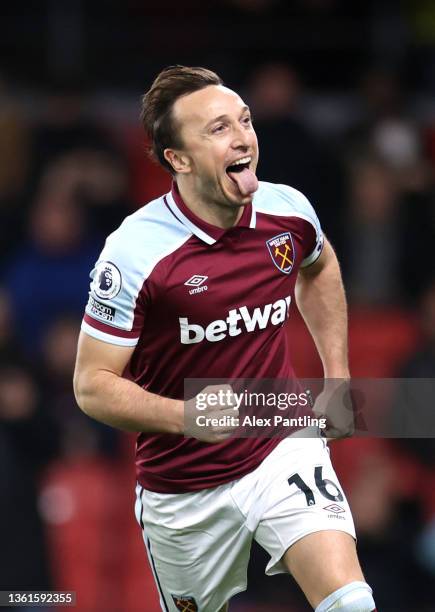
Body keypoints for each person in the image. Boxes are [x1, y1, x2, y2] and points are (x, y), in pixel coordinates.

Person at [73, 66, 376, 612]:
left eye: (244, 120)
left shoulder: (288, 211)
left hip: (278, 440)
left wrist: (337, 375)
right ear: (178, 159)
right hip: (183, 487)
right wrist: (188, 416)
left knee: (351, 602)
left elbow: (319, 265)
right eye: (217, 129)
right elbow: (92, 386)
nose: (242, 138)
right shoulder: (136, 254)